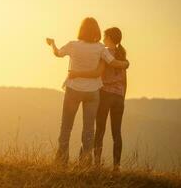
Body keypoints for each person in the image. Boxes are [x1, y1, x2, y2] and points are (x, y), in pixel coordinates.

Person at [46, 17, 129, 167]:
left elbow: (57, 53)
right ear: (96, 31)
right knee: (89, 129)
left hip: (73, 89)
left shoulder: (73, 45)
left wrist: (52, 44)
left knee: (66, 126)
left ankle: (62, 159)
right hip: (93, 93)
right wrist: (126, 63)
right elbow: (113, 63)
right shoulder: (100, 49)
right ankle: (85, 162)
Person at [68, 27, 128, 172]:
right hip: (119, 97)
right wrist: (122, 97)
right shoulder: (122, 54)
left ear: (109, 38)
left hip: (105, 94)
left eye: (104, 36)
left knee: (100, 130)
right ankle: (116, 166)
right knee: (117, 132)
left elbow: (98, 72)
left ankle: (96, 164)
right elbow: (125, 80)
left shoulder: (104, 53)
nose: (102, 39)